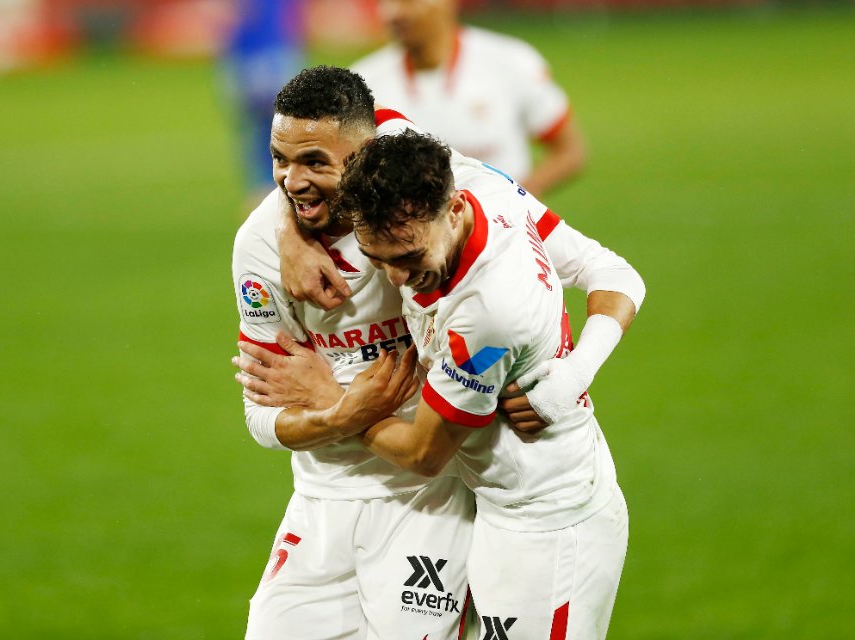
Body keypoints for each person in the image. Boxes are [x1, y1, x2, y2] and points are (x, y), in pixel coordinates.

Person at [232, 66, 643, 639]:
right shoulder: (396, 194)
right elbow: (261, 408)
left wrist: (338, 404)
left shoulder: (484, 307)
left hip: (530, 508)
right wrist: (287, 231)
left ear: (451, 209)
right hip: (474, 503)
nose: (401, 283)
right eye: (382, 263)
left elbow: (425, 451)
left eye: (409, 260)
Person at [351, 0, 585, 199]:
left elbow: (569, 151)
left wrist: (519, 200)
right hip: (413, 243)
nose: (393, 13)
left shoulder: (511, 62)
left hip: (502, 239)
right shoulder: (364, 81)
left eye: (409, 1)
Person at [221, 0, 304, 209]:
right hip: (262, 53)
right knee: (267, 125)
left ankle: (269, 186)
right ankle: (270, 185)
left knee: (269, 124)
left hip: (265, 54)